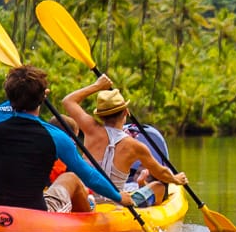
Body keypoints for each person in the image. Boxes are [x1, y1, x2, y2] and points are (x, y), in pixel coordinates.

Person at [0, 65, 127, 213]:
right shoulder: (57, 137)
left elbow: (9, 104)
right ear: (44, 96)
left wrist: (20, 91)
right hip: (36, 214)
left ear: (9, 94)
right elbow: (90, 176)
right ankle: (88, 220)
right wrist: (118, 197)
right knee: (71, 178)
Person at [60, 74, 187, 206]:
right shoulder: (135, 146)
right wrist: (175, 179)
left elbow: (67, 101)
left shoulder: (90, 128)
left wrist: (97, 86)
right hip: (117, 204)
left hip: (86, 202)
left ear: (101, 116)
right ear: (126, 112)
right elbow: (160, 172)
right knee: (159, 187)